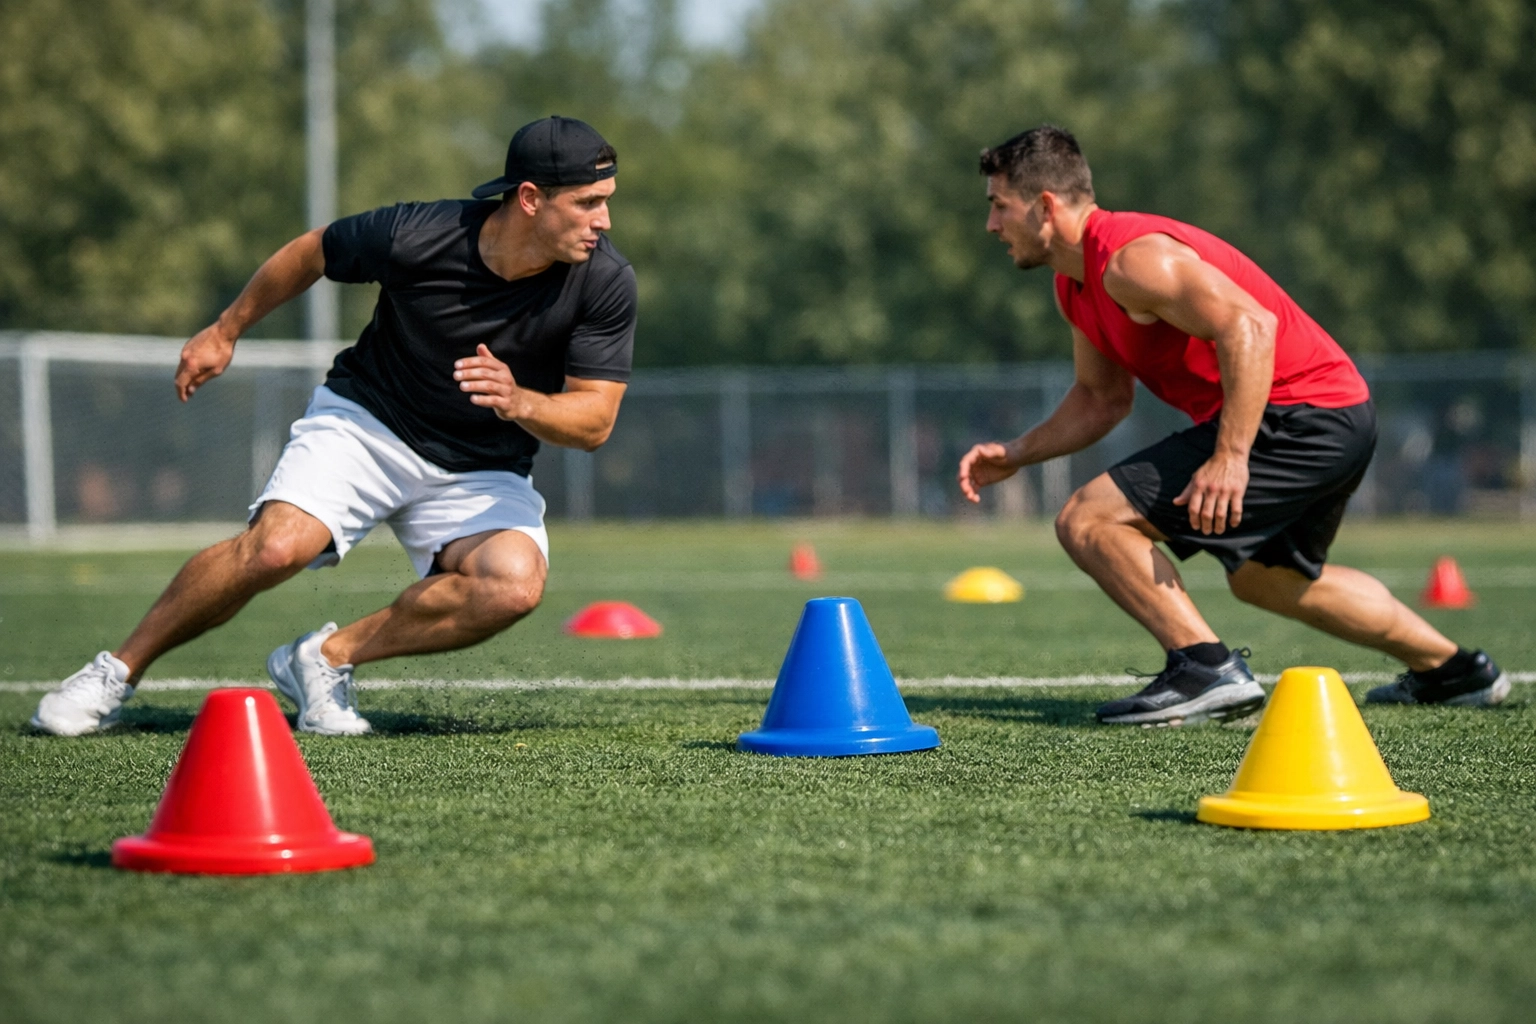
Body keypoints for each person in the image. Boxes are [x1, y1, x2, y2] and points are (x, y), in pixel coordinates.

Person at [32, 115, 636, 737]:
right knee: (274, 549)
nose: (604, 222)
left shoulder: (605, 281)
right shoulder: (418, 233)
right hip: (368, 425)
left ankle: (324, 659)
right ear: (531, 199)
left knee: (512, 586)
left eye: (607, 203)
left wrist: (520, 401)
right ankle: (115, 671)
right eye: (588, 203)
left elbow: (595, 419)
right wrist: (225, 330)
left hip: (482, 463)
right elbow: (313, 251)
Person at [957, 125, 1506, 726]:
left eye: (998, 206)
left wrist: (1231, 455)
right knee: (1267, 579)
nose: (991, 225)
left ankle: (1204, 668)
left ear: (1045, 207)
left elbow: (1251, 327)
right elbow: (1101, 398)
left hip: (1302, 413)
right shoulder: (1076, 285)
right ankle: (1455, 672)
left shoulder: (1133, 259)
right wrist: (1017, 453)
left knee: (1088, 518)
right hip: (1336, 413)